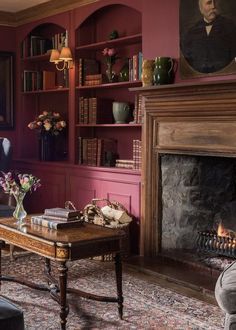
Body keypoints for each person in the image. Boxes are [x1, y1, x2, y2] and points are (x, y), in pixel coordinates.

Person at [181, 0, 236, 73]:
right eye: (209, 3)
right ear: (201, 9)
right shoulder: (191, 33)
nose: (213, 6)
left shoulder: (230, 26)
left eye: (215, 2)